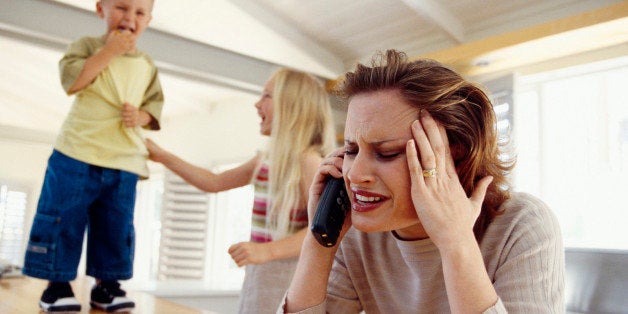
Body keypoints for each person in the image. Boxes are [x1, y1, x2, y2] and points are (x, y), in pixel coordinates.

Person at [282, 50, 564, 313]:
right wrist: (318, 243)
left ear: (452, 156)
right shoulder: (356, 234)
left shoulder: (521, 225)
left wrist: (456, 242)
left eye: (386, 153)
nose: (354, 174)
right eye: (351, 150)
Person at [146, 67, 336, 313]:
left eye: (267, 96)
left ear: (292, 105)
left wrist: (266, 251)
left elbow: (320, 232)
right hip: (259, 272)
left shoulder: (309, 161)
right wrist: (162, 156)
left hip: (289, 274)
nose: (257, 104)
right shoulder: (265, 160)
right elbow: (214, 182)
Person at [22, 0, 163, 312]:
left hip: (123, 160)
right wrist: (108, 52)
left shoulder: (147, 65)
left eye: (139, 13)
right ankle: (57, 286)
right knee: (63, 217)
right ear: (101, 9)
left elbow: (154, 104)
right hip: (76, 151)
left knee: (116, 224)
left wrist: (141, 116)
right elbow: (73, 81)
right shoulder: (84, 46)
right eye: (122, 8)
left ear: (149, 20)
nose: (130, 18)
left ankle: (107, 286)